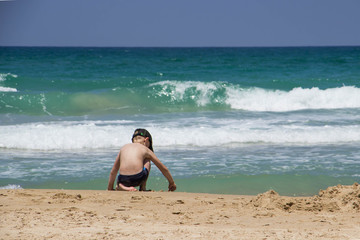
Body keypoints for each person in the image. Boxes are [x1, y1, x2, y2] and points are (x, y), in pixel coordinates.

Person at [107, 128, 176, 192]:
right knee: (147, 160)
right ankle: (142, 187)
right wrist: (171, 183)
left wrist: (110, 187)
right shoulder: (145, 149)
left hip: (123, 179)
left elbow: (113, 171)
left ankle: (121, 186)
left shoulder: (124, 148)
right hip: (138, 178)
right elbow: (163, 168)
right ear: (146, 140)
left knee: (122, 174)